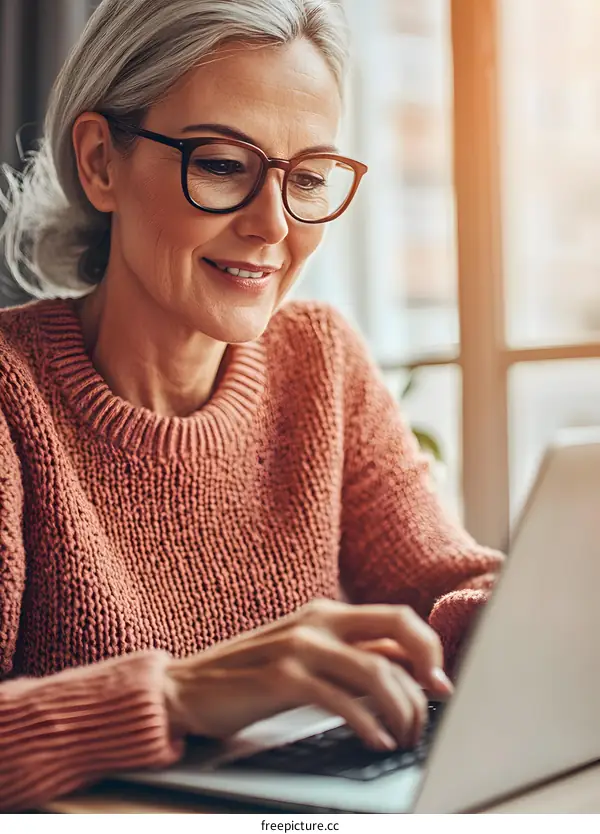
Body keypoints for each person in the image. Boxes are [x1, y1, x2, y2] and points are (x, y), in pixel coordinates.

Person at [0, 0, 503, 811]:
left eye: (306, 177)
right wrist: (174, 697)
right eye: (224, 165)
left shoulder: (319, 359)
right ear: (100, 162)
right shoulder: (10, 397)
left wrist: (533, 616)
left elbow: (451, 588)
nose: (274, 225)